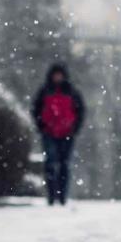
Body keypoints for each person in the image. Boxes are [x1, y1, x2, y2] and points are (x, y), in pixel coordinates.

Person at [32, 63, 85, 206]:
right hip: (49, 133)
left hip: (67, 133)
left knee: (63, 165)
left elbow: (80, 112)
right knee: (50, 163)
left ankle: (62, 196)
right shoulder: (44, 91)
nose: (57, 77)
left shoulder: (72, 92)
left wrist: (74, 128)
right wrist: (42, 126)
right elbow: (36, 110)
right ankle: (51, 195)